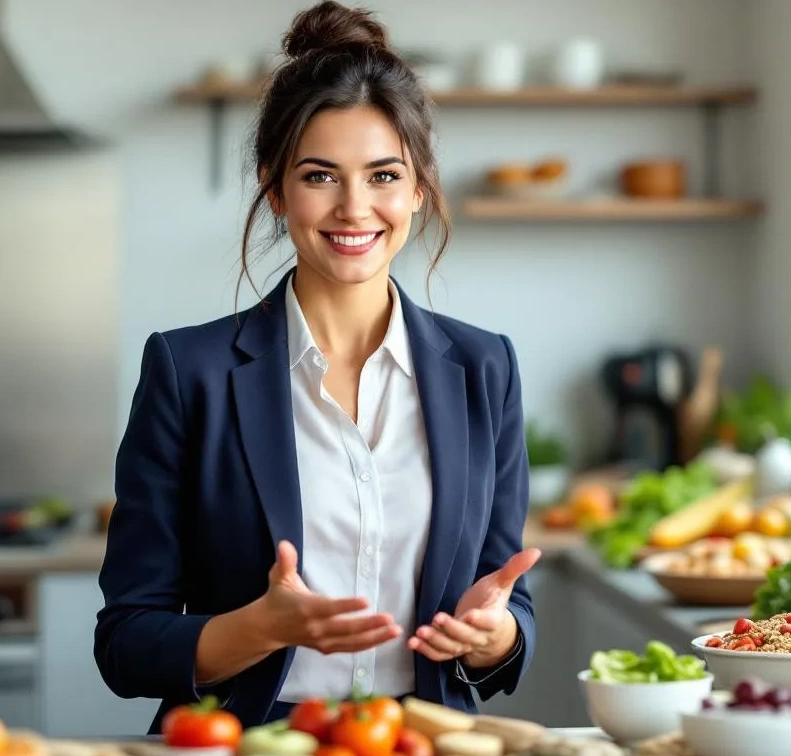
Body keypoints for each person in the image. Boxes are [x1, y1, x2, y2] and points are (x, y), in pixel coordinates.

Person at [94, 0, 541, 732]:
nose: (355, 208)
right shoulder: (189, 370)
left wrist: (496, 636)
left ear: (420, 188)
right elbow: (125, 643)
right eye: (320, 176)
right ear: (276, 188)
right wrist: (261, 627)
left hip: (420, 741)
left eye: (384, 175)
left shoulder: (484, 367)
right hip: (246, 738)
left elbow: (506, 609)